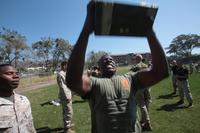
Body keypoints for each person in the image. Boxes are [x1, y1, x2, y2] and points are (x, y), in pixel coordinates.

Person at [66, 1, 169, 133]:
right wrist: (86, 31)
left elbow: (161, 72)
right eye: (104, 60)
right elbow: (73, 81)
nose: (109, 59)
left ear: (116, 65)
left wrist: (149, 32)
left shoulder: (131, 79)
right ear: (99, 67)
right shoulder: (94, 83)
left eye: (111, 59)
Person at [0, 63, 36, 133]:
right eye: (9, 73)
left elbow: (31, 127)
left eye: (16, 73)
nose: (16, 76)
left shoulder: (24, 100)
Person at [130, 55, 152, 131]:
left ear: (136, 59)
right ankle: (144, 119)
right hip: (147, 86)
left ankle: (147, 122)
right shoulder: (146, 66)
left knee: (142, 105)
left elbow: (130, 76)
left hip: (140, 87)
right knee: (147, 102)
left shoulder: (135, 67)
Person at [57, 61, 75, 133]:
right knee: (68, 111)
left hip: (67, 95)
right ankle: (67, 129)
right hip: (65, 96)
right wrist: (68, 96)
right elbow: (63, 87)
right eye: (67, 65)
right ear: (64, 66)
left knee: (66, 111)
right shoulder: (61, 74)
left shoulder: (64, 73)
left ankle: (68, 124)